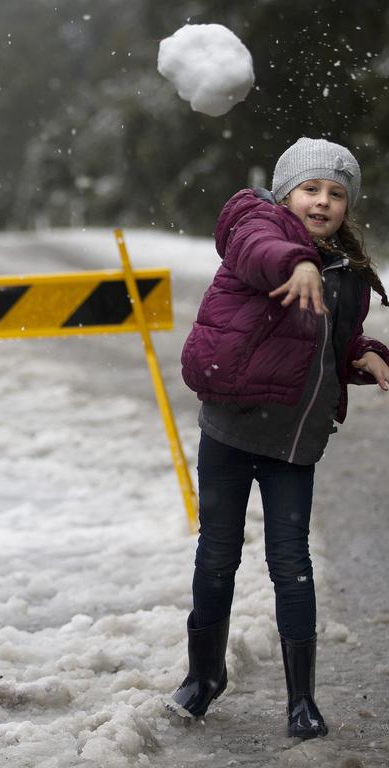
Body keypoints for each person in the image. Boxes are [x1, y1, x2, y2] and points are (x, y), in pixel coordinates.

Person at [172, 137, 389, 739]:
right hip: (232, 428)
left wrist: (365, 356)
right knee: (217, 556)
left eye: (336, 193)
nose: (322, 202)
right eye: (310, 189)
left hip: (294, 442)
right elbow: (266, 252)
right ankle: (202, 678)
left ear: (349, 205)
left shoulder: (346, 274)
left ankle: (301, 700)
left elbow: (324, 349)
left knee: (291, 564)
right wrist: (297, 263)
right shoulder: (255, 230)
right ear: (286, 192)